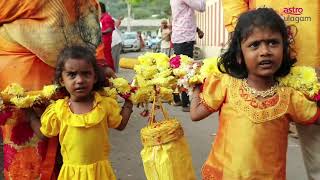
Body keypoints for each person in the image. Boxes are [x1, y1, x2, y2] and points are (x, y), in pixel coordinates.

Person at [190, 8, 320, 179]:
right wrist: (195, 85)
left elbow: (314, 118)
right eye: (254, 45)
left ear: (285, 48)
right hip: (225, 174)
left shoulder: (291, 96)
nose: (265, 51)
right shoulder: (226, 84)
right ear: (239, 55)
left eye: (273, 42)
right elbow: (195, 114)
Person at [0, 1, 103, 179]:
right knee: (26, 161)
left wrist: (99, 66)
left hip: (63, 85)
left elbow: (88, 27)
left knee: (69, 152)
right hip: (18, 89)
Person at [30, 46, 133, 180]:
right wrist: (31, 116)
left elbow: (120, 124)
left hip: (99, 174)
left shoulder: (105, 104)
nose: (79, 80)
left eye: (86, 74)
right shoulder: (59, 109)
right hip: (72, 175)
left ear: (94, 77)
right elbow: (44, 134)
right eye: (72, 75)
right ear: (62, 80)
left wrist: (129, 102)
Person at [170, 0, 206, 112]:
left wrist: (197, 29)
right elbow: (201, 6)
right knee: (185, 71)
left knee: (180, 70)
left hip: (181, 37)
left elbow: (184, 16)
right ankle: (185, 103)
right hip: (184, 38)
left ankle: (177, 99)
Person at [100, 2, 115, 71]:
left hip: (106, 40)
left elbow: (110, 29)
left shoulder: (106, 17)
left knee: (107, 56)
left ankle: (111, 72)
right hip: (103, 41)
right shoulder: (103, 17)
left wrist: (100, 33)